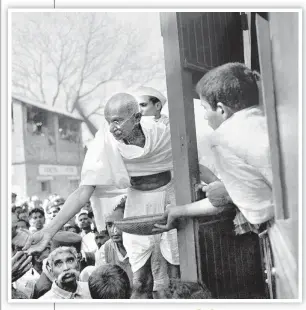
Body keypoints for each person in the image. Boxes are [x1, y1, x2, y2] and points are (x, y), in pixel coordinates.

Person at [24, 93, 179, 299]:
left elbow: (191, 161)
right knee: (140, 279)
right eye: (108, 121)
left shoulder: (163, 131)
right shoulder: (105, 142)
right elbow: (82, 192)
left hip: (170, 197)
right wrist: (47, 232)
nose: (112, 127)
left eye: (117, 120)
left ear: (136, 117)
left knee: (176, 272)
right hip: (137, 202)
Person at [154, 62, 274, 236]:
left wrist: (227, 193)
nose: (204, 116)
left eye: (205, 108)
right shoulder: (268, 118)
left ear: (221, 109)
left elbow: (259, 212)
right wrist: (180, 210)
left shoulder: (223, 140)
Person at [95, 197, 133, 287]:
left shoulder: (142, 246)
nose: (114, 231)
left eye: (119, 224)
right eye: (109, 225)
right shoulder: (104, 250)